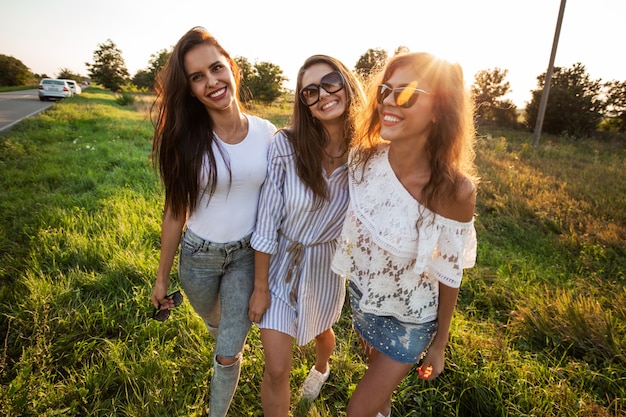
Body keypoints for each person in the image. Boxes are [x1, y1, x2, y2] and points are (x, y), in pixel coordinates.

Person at [332, 52, 479, 417]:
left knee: (358, 409)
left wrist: (440, 344)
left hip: (409, 323)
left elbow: (449, 273)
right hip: (365, 303)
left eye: (407, 92)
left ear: (438, 110)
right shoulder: (362, 162)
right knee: (379, 396)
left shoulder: (455, 191)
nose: (387, 101)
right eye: (385, 90)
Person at [150, 26, 276, 417]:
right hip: (198, 259)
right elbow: (176, 211)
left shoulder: (268, 135)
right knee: (213, 321)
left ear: (233, 69)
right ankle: (221, 329)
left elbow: (276, 207)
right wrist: (160, 277)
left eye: (216, 68)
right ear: (189, 89)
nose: (212, 82)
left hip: (245, 255)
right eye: (197, 77)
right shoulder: (185, 139)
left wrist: (262, 280)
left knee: (228, 351)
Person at [247, 54, 365, 416]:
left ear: (346, 83)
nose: (322, 95)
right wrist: (261, 286)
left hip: (327, 268)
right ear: (305, 104)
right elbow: (266, 221)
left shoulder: (368, 153)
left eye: (330, 82)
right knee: (277, 368)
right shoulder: (286, 145)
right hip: (281, 265)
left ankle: (322, 368)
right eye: (309, 92)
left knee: (322, 332)